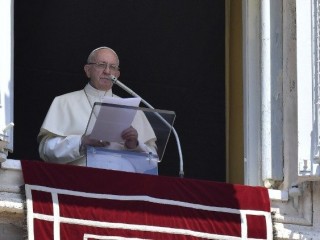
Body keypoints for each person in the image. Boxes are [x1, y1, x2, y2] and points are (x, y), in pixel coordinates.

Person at [38, 47, 157, 171]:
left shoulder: (132, 108)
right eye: (101, 65)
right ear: (88, 70)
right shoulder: (64, 102)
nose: (107, 71)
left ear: (117, 74)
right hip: (81, 179)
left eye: (112, 67)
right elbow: (45, 151)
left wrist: (134, 145)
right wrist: (81, 142)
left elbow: (152, 163)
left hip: (124, 183)